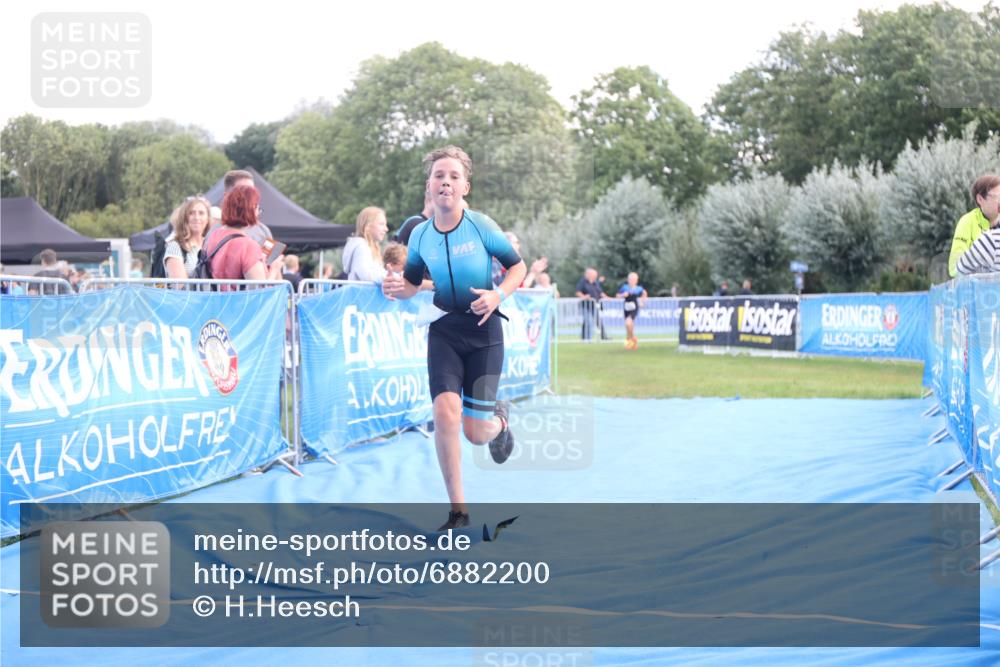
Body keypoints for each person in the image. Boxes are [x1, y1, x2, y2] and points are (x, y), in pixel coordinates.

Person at [382, 145, 526, 531]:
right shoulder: (420, 236)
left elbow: (518, 266)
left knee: (475, 433)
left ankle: (500, 422)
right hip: (444, 329)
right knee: (445, 413)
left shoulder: (481, 226)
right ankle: (458, 512)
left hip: (484, 329)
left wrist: (497, 294)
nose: (445, 181)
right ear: (429, 186)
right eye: (438, 175)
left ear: (466, 187)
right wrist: (399, 287)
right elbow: (413, 283)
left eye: (454, 176)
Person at [205, 185, 284, 285]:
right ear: (251, 209)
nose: (258, 213)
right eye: (257, 208)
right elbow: (260, 291)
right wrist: (274, 269)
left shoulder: (215, 235)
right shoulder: (248, 246)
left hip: (216, 299)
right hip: (240, 300)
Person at [949, 175, 1000, 277]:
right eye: (997, 197)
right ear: (980, 199)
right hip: (976, 288)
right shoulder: (967, 222)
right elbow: (954, 267)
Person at [164, 196, 210, 279]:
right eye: (191, 213)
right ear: (184, 218)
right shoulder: (175, 247)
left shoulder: (211, 245)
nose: (197, 217)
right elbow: (180, 287)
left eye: (201, 213)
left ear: (207, 219)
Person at [342, 207, 389, 282]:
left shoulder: (368, 247)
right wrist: (389, 278)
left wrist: (394, 276)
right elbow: (365, 275)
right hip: (361, 293)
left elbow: (376, 273)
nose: (386, 229)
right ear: (367, 226)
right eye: (381, 224)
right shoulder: (362, 248)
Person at [617, 272, 648, 350]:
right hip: (626, 308)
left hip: (634, 307)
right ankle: (632, 339)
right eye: (631, 279)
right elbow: (617, 295)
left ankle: (630, 341)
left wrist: (642, 302)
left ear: (636, 280)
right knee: (628, 325)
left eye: (634, 279)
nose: (632, 281)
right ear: (628, 280)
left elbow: (644, 293)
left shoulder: (639, 288)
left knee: (628, 322)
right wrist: (623, 295)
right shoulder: (624, 287)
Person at [575, 268, 608, 340]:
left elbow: (600, 292)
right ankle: (586, 338)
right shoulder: (582, 282)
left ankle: (604, 336)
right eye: (594, 275)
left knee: (598, 321)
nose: (595, 276)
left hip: (594, 305)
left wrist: (606, 297)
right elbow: (578, 292)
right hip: (585, 305)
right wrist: (584, 297)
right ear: (589, 274)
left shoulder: (595, 283)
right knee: (588, 321)